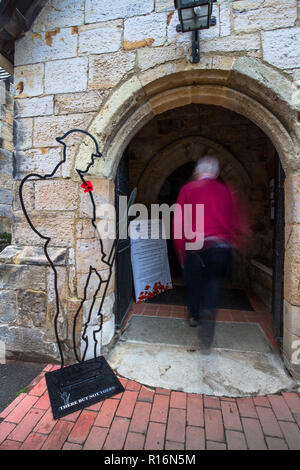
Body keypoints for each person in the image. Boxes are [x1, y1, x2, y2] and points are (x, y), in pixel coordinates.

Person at [173, 156, 250, 349]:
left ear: (198, 172)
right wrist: (235, 242)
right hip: (220, 247)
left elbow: (179, 222)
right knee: (211, 283)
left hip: (196, 245)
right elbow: (237, 220)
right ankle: (208, 312)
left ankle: (195, 316)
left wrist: (180, 248)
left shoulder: (188, 189)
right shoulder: (227, 191)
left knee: (193, 283)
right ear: (215, 173)